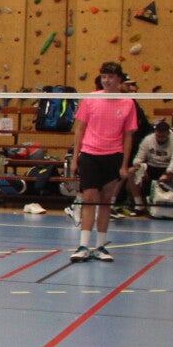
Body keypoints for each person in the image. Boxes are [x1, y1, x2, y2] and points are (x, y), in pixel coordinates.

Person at [68, 61, 138, 261]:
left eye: (111, 77)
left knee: (106, 201)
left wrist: (124, 164)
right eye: (104, 77)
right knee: (89, 199)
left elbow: (128, 136)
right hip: (90, 155)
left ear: (119, 79)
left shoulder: (128, 103)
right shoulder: (90, 99)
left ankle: (100, 247)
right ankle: (83, 245)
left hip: (113, 156)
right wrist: (75, 158)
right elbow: (80, 129)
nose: (107, 81)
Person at [128, 119, 173, 213]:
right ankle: (139, 204)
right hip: (151, 167)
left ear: (168, 134)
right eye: (158, 136)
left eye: (163, 137)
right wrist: (138, 165)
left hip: (167, 168)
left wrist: (167, 173)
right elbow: (139, 157)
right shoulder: (148, 139)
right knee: (131, 171)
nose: (160, 139)